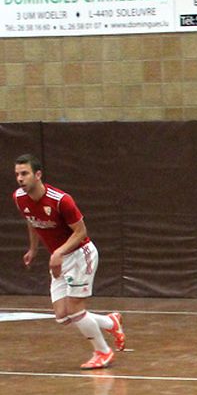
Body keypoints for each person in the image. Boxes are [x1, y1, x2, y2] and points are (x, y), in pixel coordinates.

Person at [13, 154, 124, 370]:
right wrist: (33, 249)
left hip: (81, 254)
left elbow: (81, 231)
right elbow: (32, 221)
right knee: (62, 317)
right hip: (59, 258)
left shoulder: (61, 200)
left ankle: (103, 352)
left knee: (75, 309)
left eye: (24, 173)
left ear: (38, 175)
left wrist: (59, 252)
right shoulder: (19, 197)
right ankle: (111, 322)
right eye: (17, 174)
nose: (20, 178)